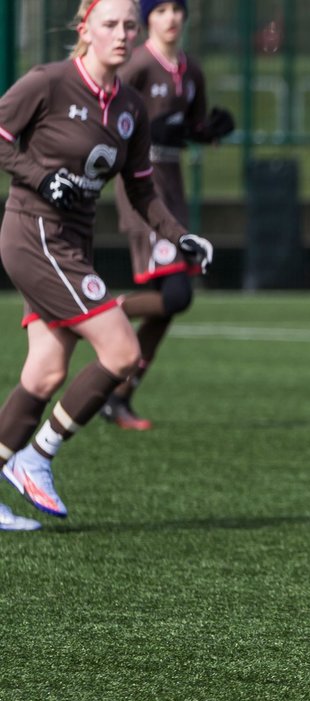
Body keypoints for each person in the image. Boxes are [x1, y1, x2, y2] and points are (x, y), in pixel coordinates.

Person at [0, 0, 213, 526]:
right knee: (121, 351)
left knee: (46, 372)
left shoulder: (130, 108)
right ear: (84, 30)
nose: (122, 34)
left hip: (74, 243)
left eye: (128, 26)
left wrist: (180, 237)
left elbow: (142, 191)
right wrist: (35, 174)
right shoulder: (48, 82)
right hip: (35, 235)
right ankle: (37, 457)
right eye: (110, 25)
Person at [103, 0, 233, 430]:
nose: (172, 17)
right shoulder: (138, 64)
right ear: (147, 19)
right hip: (143, 188)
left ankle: (118, 398)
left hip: (172, 187)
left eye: (178, 8)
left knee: (169, 306)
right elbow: (108, 113)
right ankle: (95, 313)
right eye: (161, 10)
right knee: (177, 295)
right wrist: (143, 132)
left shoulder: (191, 70)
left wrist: (207, 132)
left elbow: (187, 127)